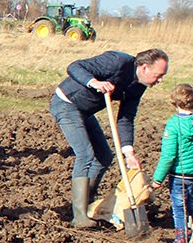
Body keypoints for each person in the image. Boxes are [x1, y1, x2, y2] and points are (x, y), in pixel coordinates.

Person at [50, 48, 170, 228]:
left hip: (85, 112)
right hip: (66, 103)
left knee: (105, 157)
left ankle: (88, 203)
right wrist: (94, 82)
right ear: (144, 68)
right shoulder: (117, 61)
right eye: (158, 75)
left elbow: (126, 118)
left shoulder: (138, 87)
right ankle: (80, 216)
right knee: (85, 154)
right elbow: (75, 67)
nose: (160, 80)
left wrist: (128, 153)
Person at [150, 83, 193, 243]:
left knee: (179, 208)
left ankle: (181, 241)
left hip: (179, 174)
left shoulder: (173, 125)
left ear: (175, 102)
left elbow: (168, 156)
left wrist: (157, 179)